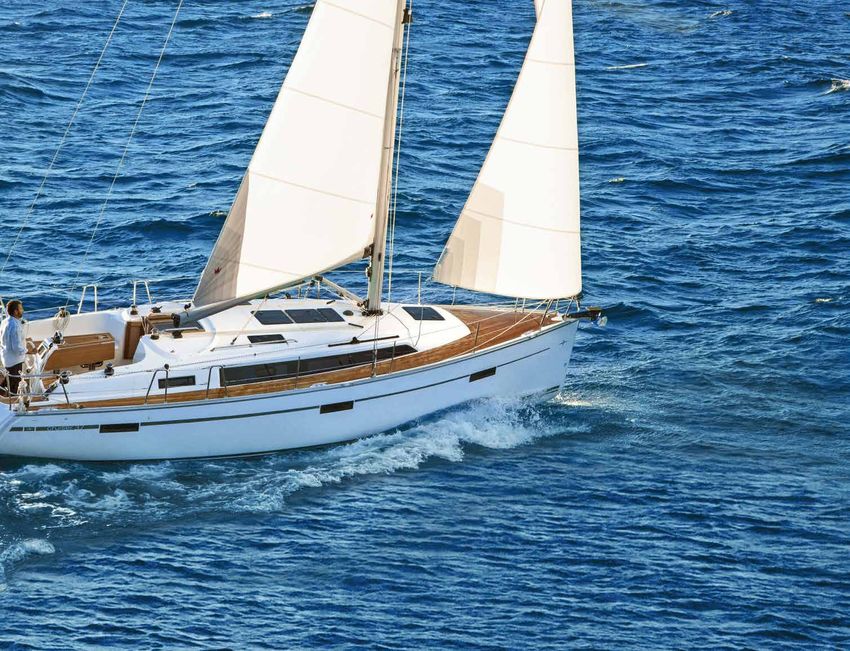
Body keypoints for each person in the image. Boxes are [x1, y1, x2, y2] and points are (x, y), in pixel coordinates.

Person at [0, 299, 27, 396]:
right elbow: (17, 349)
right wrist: (29, 351)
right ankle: (13, 402)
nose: (23, 310)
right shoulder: (15, 326)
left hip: (6, 358)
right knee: (14, 386)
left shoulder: (5, 321)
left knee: (8, 381)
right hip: (14, 361)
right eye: (21, 308)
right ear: (16, 311)